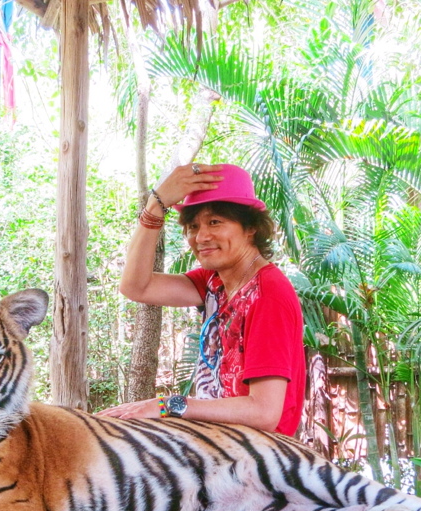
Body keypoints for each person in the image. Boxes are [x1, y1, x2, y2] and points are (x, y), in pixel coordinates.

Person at [98, 163, 306, 436]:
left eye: (215, 222)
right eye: (194, 226)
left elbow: (264, 412)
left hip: (260, 458)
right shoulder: (214, 281)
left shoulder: (268, 294)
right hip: (217, 444)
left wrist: (168, 405)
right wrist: (155, 206)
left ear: (251, 227)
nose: (201, 236)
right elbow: (136, 286)